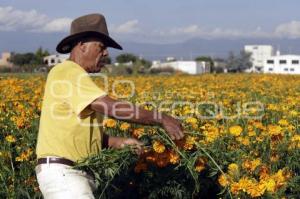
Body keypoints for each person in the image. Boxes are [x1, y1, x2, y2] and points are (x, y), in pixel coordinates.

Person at [35, 13, 184, 199]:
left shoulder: (74, 77)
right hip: (65, 174)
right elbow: (111, 108)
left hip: (71, 174)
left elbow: (83, 135)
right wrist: (161, 118)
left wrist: (119, 142)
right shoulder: (67, 72)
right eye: (101, 47)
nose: (106, 53)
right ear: (82, 45)